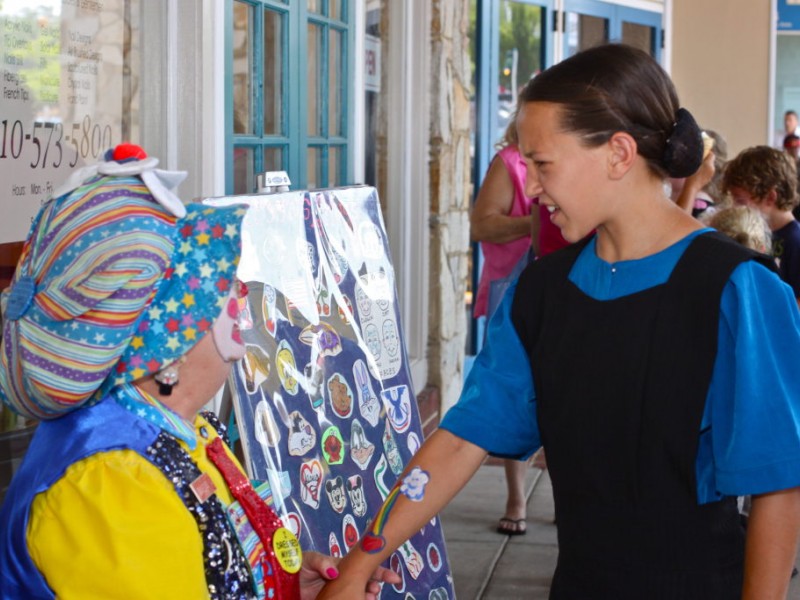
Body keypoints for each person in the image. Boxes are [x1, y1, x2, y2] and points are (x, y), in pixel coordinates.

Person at [319, 44, 800, 599]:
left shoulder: (739, 288)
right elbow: (460, 441)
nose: (532, 188)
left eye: (543, 164)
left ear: (619, 153)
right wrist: (359, 563)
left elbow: (777, 487)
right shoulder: (543, 291)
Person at [0, 144, 399, 599]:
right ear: (165, 348)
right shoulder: (111, 485)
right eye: (217, 284)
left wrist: (283, 585)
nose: (239, 291)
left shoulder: (180, 434)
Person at [722, 145, 800, 310]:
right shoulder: (751, 232)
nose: (734, 207)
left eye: (740, 201)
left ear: (770, 197)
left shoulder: (795, 241)